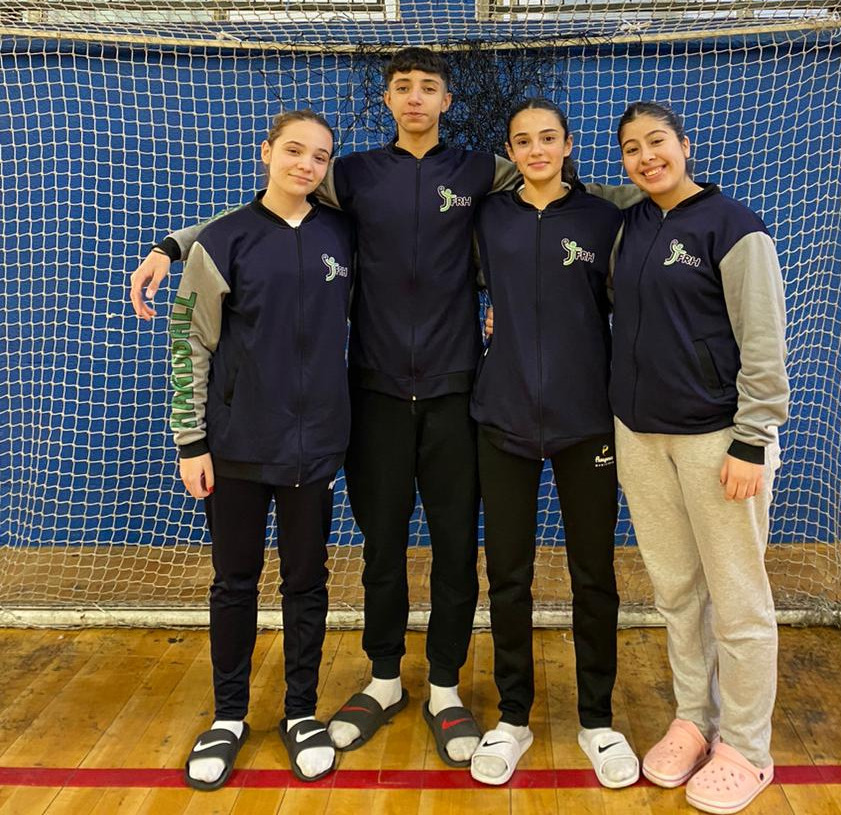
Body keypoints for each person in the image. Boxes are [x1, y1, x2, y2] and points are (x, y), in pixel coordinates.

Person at [135, 48, 520, 767]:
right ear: (386, 99)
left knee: (454, 548)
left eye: (428, 88)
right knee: (379, 548)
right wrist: (175, 242)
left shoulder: (477, 170)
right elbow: (267, 210)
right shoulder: (351, 177)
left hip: (455, 390)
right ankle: (380, 679)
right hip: (370, 394)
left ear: (445, 99)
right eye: (402, 87)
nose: (414, 98)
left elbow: (549, 189)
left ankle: (442, 685)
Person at [610, 101, 788, 814]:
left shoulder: (733, 226)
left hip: (720, 440)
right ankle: (693, 717)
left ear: (685, 145)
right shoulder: (629, 226)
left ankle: (746, 745)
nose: (646, 156)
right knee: (678, 592)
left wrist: (752, 438)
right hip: (640, 436)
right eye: (631, 148)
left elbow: (765, 342)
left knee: (738, 601)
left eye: (657, 142)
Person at [172, 110, 352, 790]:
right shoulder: (223, 241)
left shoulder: (342, 235)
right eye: (294, 151)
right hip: (238, 446)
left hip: (314, 450)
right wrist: (191, 439)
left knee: (306, 583)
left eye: (320, 156)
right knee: (234, 582)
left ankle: (301, 712)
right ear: (266, 152)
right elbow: (187, 342)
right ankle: (227, 716)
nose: (306, 165)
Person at [468, 98, 640, 788]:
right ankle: (512, 717)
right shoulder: (489, 215)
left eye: (547, 138)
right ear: (510, 152)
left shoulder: (606, 217)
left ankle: (597, 719)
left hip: (585, 422)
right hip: (502, 418)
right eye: (522, 141)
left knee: (593, 574)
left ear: (568, 144)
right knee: (507, 574)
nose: (535, 150)